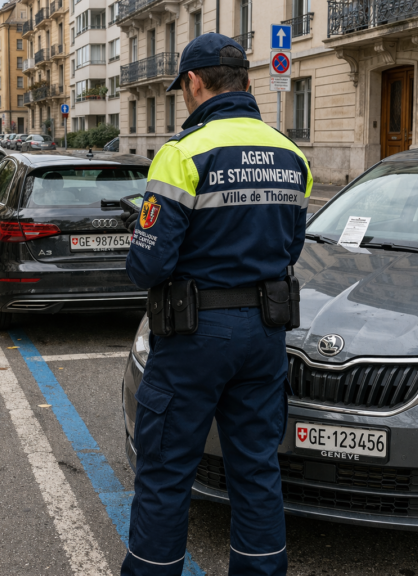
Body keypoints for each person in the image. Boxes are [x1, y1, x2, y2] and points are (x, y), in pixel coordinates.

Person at [122, 33, 312, 576]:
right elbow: (289, 248)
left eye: (183, 87)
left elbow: (149, 266)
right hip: (265, 333)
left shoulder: (181, 154)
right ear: (248, 83)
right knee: (256, 470)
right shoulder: (291, 155)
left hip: (193, 337)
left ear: (194, 82)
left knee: (165, 472)